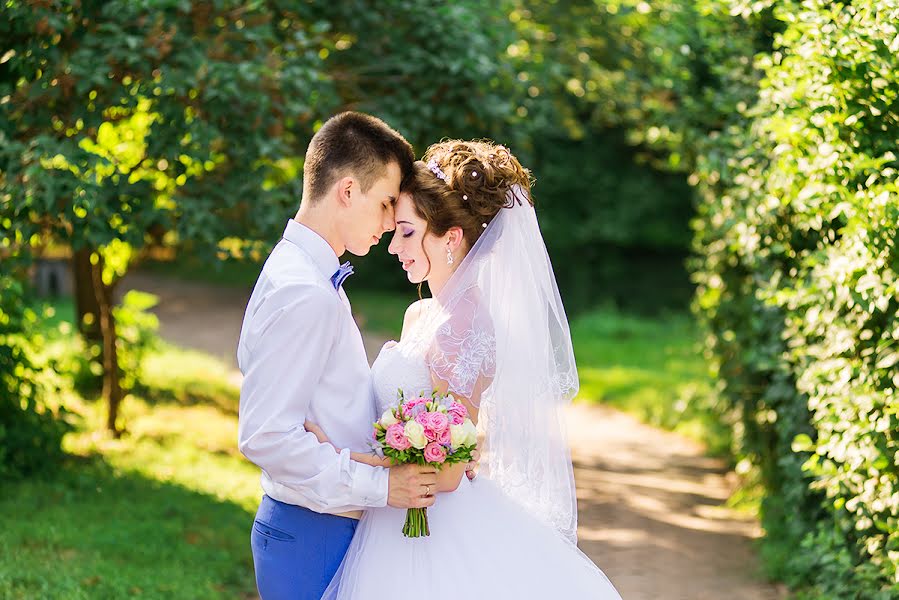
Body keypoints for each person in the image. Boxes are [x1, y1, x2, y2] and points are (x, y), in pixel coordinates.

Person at [312, 140, 623, 599]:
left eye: (406, 232)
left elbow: (450, 472)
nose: (393, 246)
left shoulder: (467, 327)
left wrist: (338, 457)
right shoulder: (420, 315)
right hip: (392, 520)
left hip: (432, 530)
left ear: (451, 238)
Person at [236, 112, 440, 600]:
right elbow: (265, 435)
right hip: (313, 534)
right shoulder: (305, 291)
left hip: (319, 525)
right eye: (387, 203)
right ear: (347, 191)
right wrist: (380, 488)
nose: (392, 222)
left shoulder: (301, 271)